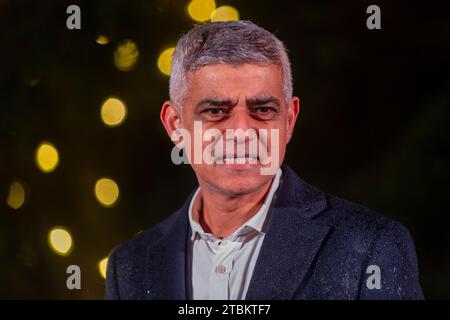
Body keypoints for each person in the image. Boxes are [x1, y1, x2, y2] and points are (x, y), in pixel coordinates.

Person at [105, 20, 424, 300]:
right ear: (175, 125)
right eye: (216, 111)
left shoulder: (371, 246)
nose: (242, 131)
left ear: (289, 120)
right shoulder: (130, 267)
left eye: (263, 110)